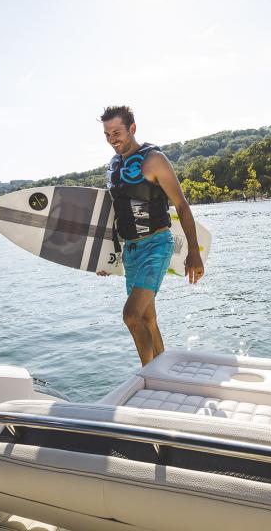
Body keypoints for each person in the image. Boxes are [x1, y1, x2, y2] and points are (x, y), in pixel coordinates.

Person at [98, 105, 205, 366]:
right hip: (131, 250)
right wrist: (103, 259)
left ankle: (149, 376)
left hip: (156, 245)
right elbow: (115, 215)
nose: (113, 139)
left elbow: (181, 205)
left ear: (132, 129)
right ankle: (163, 372)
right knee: (147, 318)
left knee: (131, 315)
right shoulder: (114, 166)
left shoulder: (153, 159)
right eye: (107, 134)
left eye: (117, 132)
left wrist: (194, 252)